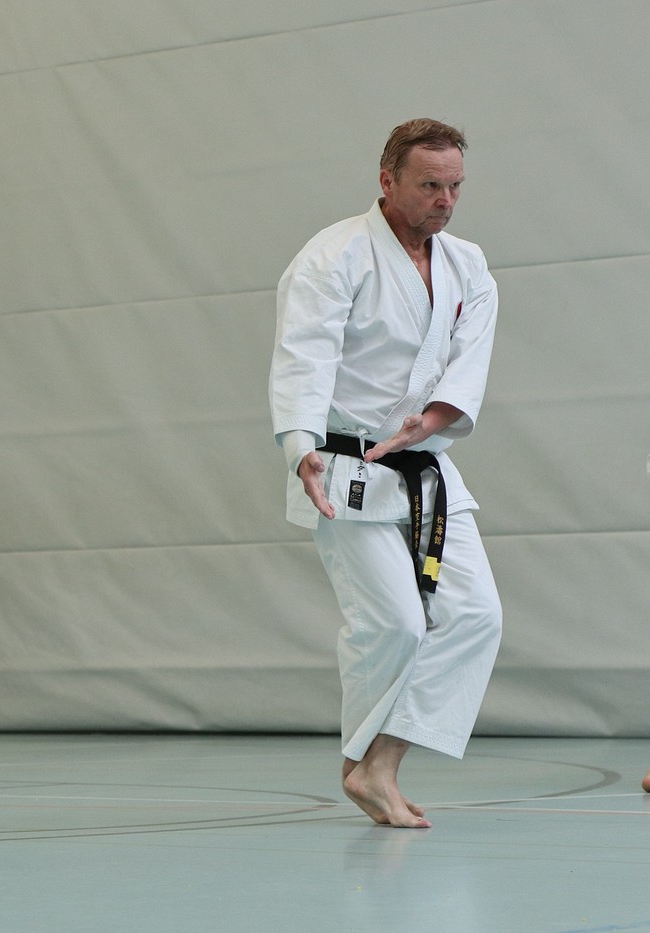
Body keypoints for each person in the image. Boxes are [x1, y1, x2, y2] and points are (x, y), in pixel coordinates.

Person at [268, 119, 502, 828]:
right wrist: (299, 445)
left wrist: (429, 422)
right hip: (344, 466)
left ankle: (376, 765)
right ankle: (365, 768)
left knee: (476, 616)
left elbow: (468, 362)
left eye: (455, 186)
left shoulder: (468, 264)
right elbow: (303, 355)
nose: (445, 200)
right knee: (394, 624)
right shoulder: (334, 255)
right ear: (387, 181)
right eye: (430, 185)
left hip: (426, 466)